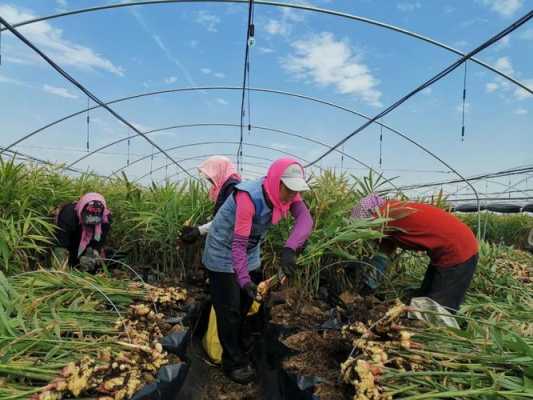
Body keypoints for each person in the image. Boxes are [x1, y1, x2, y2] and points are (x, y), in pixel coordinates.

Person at [202, 158, 313, 384]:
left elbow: (305, 219)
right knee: (229, 309)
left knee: (245, 303)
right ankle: (233, 362)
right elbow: (237, 245)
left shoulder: (288, 194)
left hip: (250, 252)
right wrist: (243, 279)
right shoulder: (248, 198)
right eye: (289, 189)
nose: (292, 195)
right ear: (275, 181)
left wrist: (290, 248)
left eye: (296, 190)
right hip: (223, 251)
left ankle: (238, 343)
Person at [351, 194, 478, 312]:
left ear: (370, 218)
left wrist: (366, 288)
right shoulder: (390, 216)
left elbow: (380, 254)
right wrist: (369, 286)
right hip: (450, 247)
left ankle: (434, 334)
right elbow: (382, 256)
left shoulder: (386, 215)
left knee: (439, 308)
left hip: (458, 250)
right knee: (425, 297)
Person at [180, 156, 241, 244]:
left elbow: (228, 218)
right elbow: (220, 212)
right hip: (221, 235)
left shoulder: (232, 187)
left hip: (228, 240)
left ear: (219, 171)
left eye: (211, 176)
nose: (210, 180)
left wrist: (199, 230)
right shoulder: (221, 187)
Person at [53, 192, 111, 270]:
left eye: (95, 219)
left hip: (86, 245)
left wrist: (93, 254)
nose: (91, 222)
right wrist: (60, 268)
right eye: (88, 217)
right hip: (71, 240)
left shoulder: (105, 219)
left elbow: (99, 242)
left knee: (90, 264)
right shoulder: (68, 214)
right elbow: (61, 244)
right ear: (81, 210)